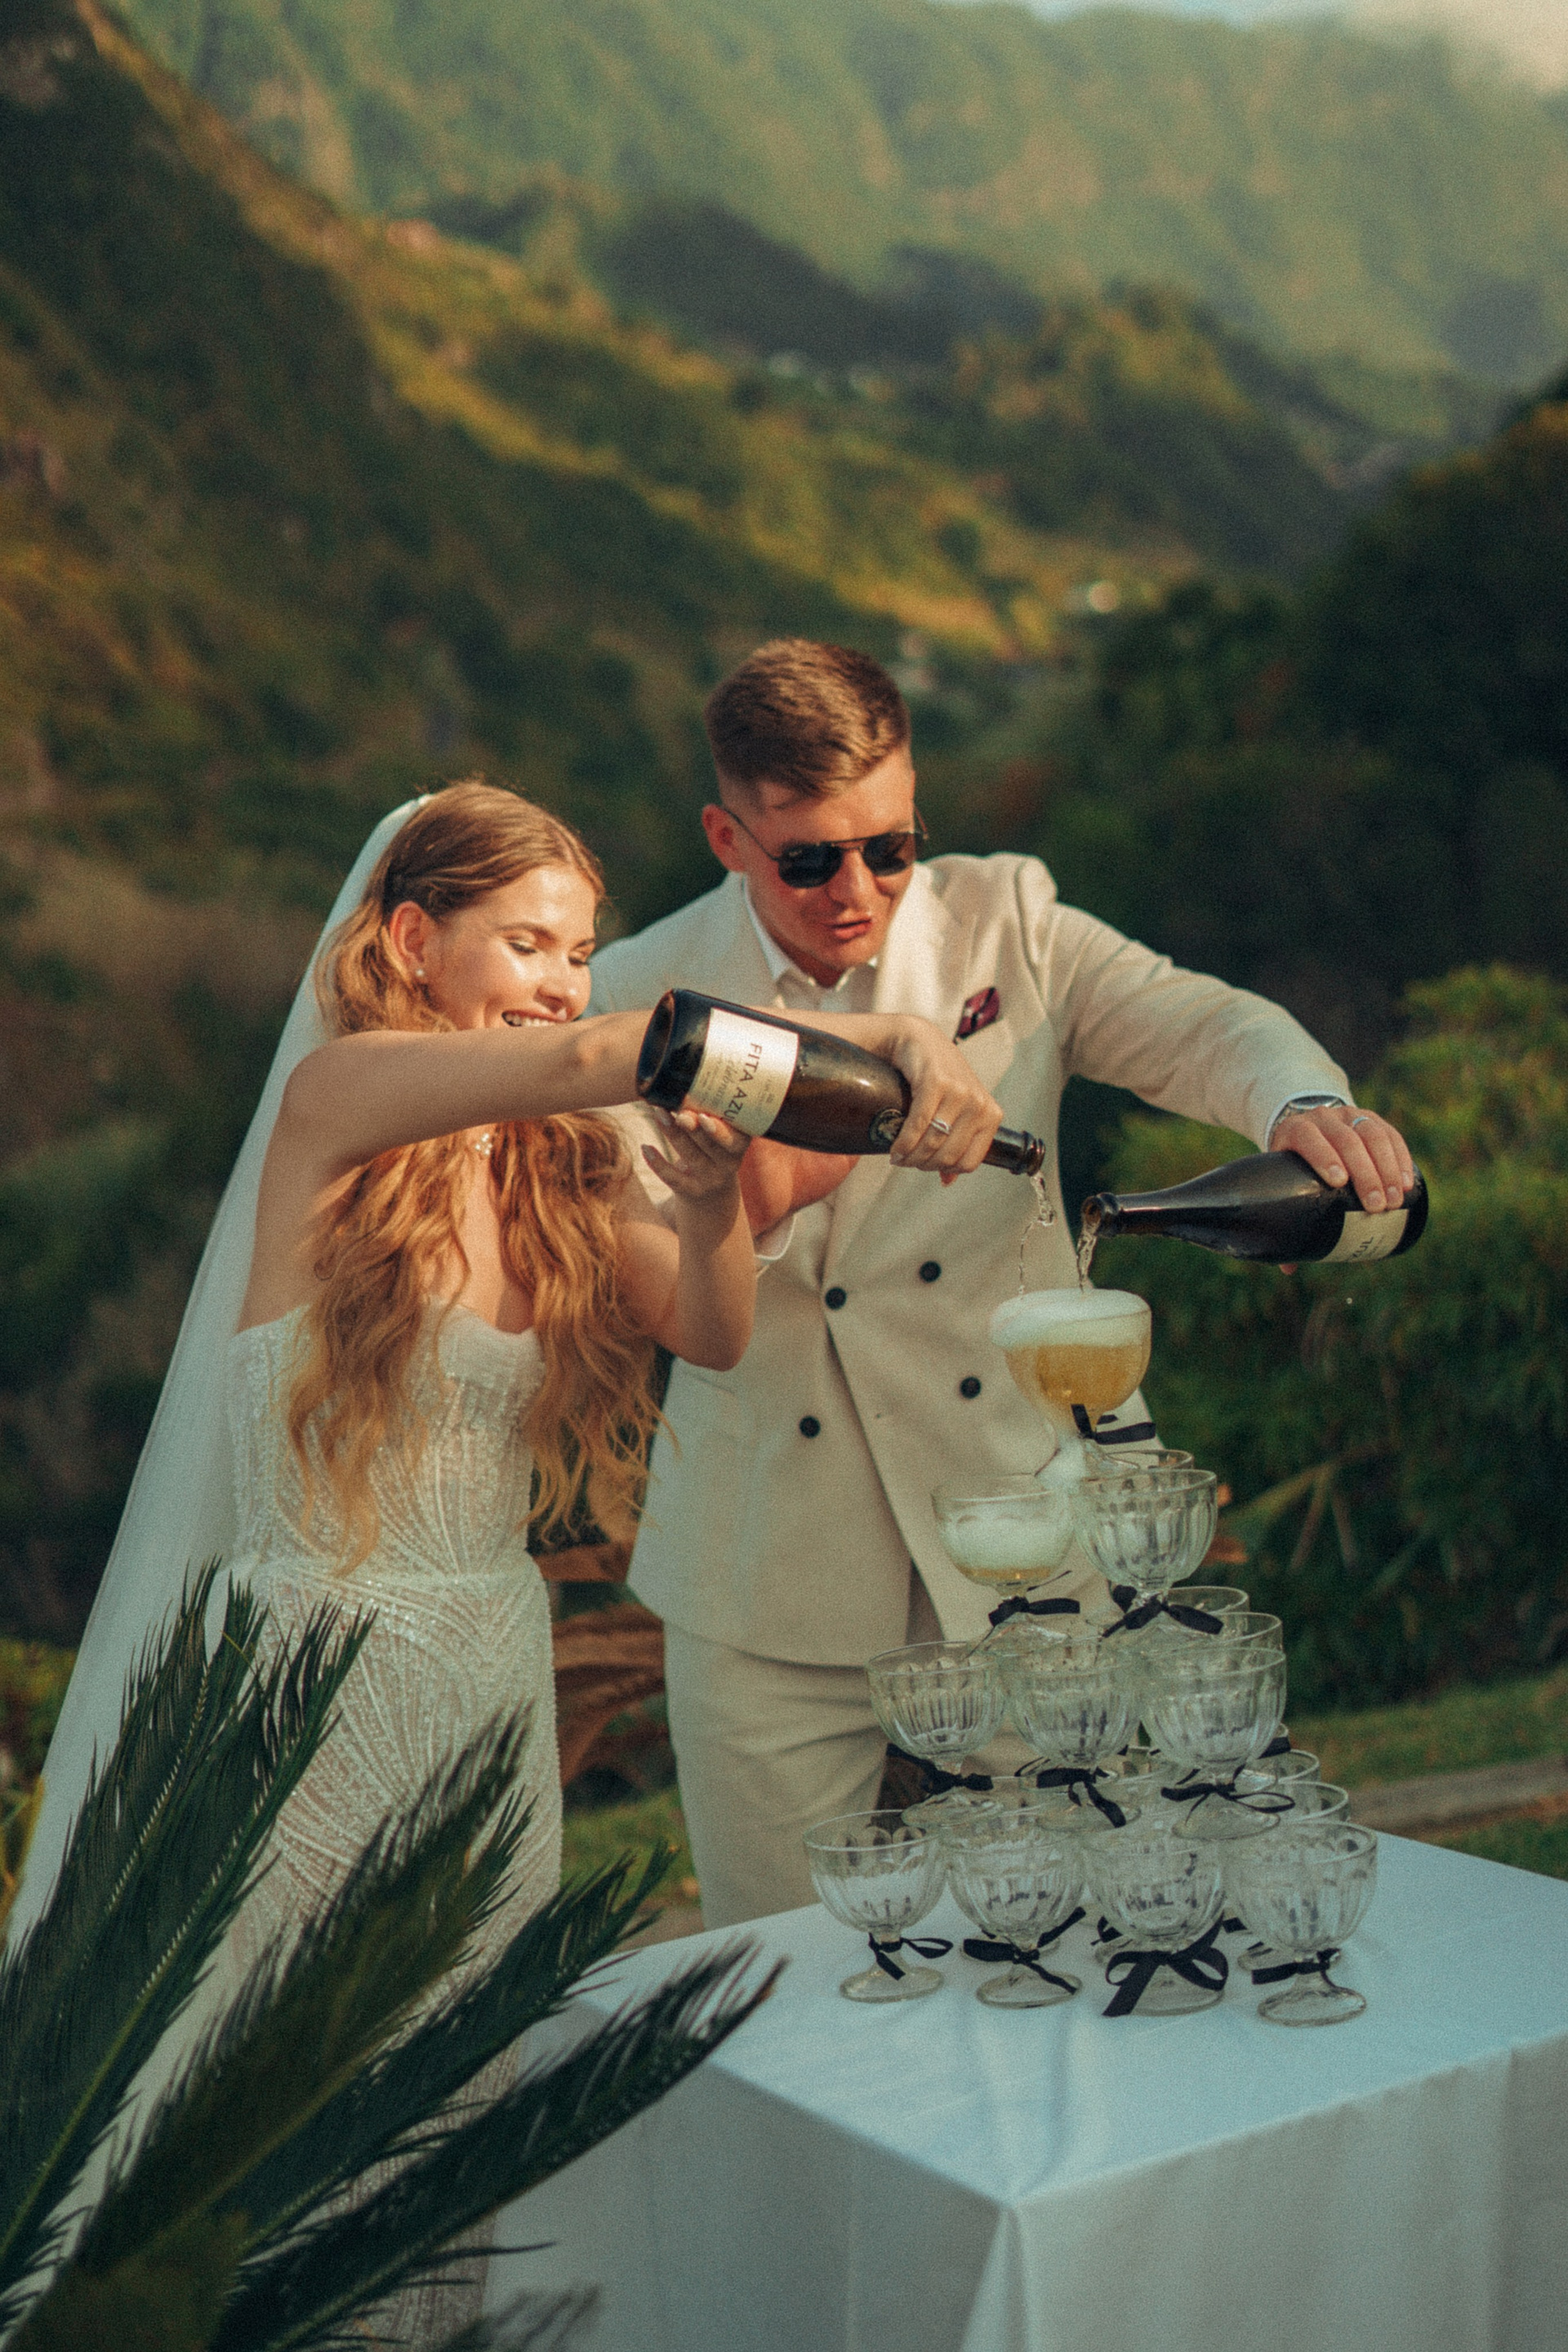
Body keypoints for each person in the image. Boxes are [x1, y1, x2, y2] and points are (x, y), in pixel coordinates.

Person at [14, 777, 979, 2346]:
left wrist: (716, 1190)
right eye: (528, 942)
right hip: (307, 1690)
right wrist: (889, 1041)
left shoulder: (560, 1163)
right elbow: (614, 1051)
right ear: (411, 938)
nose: (560, 980)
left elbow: (715, 1330)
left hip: (482, 1685)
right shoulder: (336, 1099)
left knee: (451, 2120)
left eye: (580, 952)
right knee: (270, 2112)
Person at [588, 638, 1418, 1931]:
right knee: (782, 1959)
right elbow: (631, 1271)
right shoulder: (638, 993)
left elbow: (1202, 1023)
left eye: (890, 848)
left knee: (1087, 1917)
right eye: (808, 861)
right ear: (726, 837)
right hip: (765, 1567)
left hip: (1030, 1527)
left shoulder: (1009, 919)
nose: (856, 891)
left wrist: (1300, 1101)